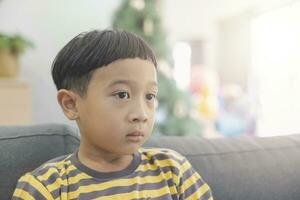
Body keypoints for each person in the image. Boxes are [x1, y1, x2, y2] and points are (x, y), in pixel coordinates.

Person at [12, 29, 213, 200]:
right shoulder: (45, 187)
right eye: (122, 94)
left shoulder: (174, 170)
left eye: (150, 96)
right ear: (71, 104)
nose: (141, 114)